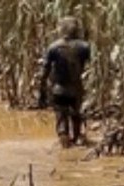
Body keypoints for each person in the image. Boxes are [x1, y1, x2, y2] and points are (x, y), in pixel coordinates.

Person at [39, 17, 91, 147]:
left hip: (59, 89)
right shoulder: (84, 47)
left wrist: (42, 91)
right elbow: (87, 67)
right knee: (76, 117)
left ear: (61, 29)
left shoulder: (53, 47)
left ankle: (65, 147)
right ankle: (77, 143)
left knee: (61, 119)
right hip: (76, 89)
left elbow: (45, 72)